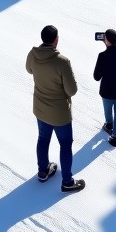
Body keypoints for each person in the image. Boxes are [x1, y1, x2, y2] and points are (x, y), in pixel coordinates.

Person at [26, 25, 84, 192]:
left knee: (43, 139)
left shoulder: (33, 54)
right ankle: (67, 181)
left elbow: (29, 69)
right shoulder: (62, 62)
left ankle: (43, 171)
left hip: (40, 108)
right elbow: (72, 90)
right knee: (65, 145)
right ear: (55, 40)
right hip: (59, 114)